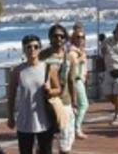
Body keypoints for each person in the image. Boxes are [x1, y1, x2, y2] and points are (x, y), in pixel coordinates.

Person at [7, 35, 61, 154]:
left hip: (44, 121)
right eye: (29, 47)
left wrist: (50, 91)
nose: (32, 49)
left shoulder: (48, 68)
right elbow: (11, 96)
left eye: (36, 46)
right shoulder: (17, 71)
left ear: (40, 49)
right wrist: (10, 116)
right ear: (24, 50)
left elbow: (58, 89)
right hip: (24, 122)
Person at [39, 24, 78, 153]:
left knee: (65, 142)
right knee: (43, 142)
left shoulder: (70, 58)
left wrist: (74, 102)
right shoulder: (42, 56)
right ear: (50, 38)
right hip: (45, 104)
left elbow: (72, 81)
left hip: (64, 102)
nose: (59, 39)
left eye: (62, 36)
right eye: (55, 36)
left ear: (65, 38)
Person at [69, 29, 90, 140]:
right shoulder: (73, 52)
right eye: (78, 37)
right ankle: (76, 129)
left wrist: (86, 76)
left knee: (77, 106)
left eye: (83, 37)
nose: (81, 39)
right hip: (75, 80)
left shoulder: (81, 51)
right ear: (73, 38)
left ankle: (73, 128)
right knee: (83, 105)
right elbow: (71, 66)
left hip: (80, 80)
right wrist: (80, 58)